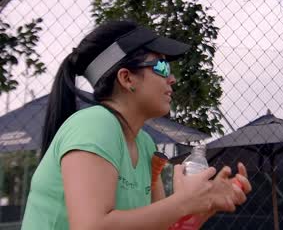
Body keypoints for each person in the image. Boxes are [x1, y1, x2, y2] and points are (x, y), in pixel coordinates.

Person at [21, 20, 252, 230]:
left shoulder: (145, 144)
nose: (172, 79)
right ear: (127, 78)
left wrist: (200, 207)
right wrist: (183, 202)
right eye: (161, 66)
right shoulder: (94, 124)